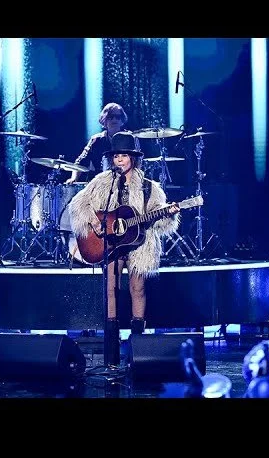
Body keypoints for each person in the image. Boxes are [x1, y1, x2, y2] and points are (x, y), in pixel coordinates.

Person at [68, 131, 180, 365]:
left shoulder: (149, 187)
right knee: (111, 288)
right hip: (110, 241)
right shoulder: (102, 182)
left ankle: (138, 349)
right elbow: (78, 205)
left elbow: (159, 220)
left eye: (124, 156)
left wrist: (167, 214)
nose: (119, 160)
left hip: (140, 243)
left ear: (133, 158)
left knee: (137, 288)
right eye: (116, 156)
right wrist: (95, 222)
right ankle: (111, 352)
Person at [64, 102, 129, 184]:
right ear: (104, 119)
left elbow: (137, 163)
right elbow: (81, 162)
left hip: (124, 183)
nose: (114, 120)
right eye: (111, 117)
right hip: (100, 184)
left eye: (118, 117)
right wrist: (73, 178)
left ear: (122, 120)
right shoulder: (96, 140)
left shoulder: (129, 138)